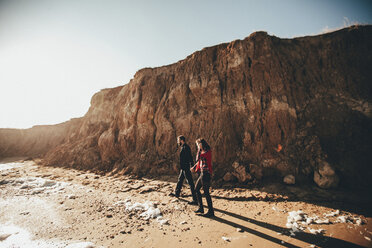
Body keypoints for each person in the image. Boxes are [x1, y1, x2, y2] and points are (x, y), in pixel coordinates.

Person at [169, 135, 198, 205]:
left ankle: (195, 199)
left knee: (190, 183)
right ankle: (177, 193)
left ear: (181, 140)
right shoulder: (183, 147)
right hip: (183, 168)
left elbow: (190, 157)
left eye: (178, 140)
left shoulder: (186, 147)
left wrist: (192, 166)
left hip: (186, 168)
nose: (177, 142)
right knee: (180, 180)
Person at [191, 138, 214, 217]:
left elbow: (198, 158)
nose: (197, 146)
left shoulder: (207, 151)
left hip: (206, 174)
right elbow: (199, 161)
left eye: (198, 144)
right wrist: (194, 167)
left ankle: (211, 211)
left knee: (206, 192)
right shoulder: (203, 151)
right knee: (196, 189)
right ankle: (201, 208)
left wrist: (198, 149)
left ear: (201, 144)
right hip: (202, 173)